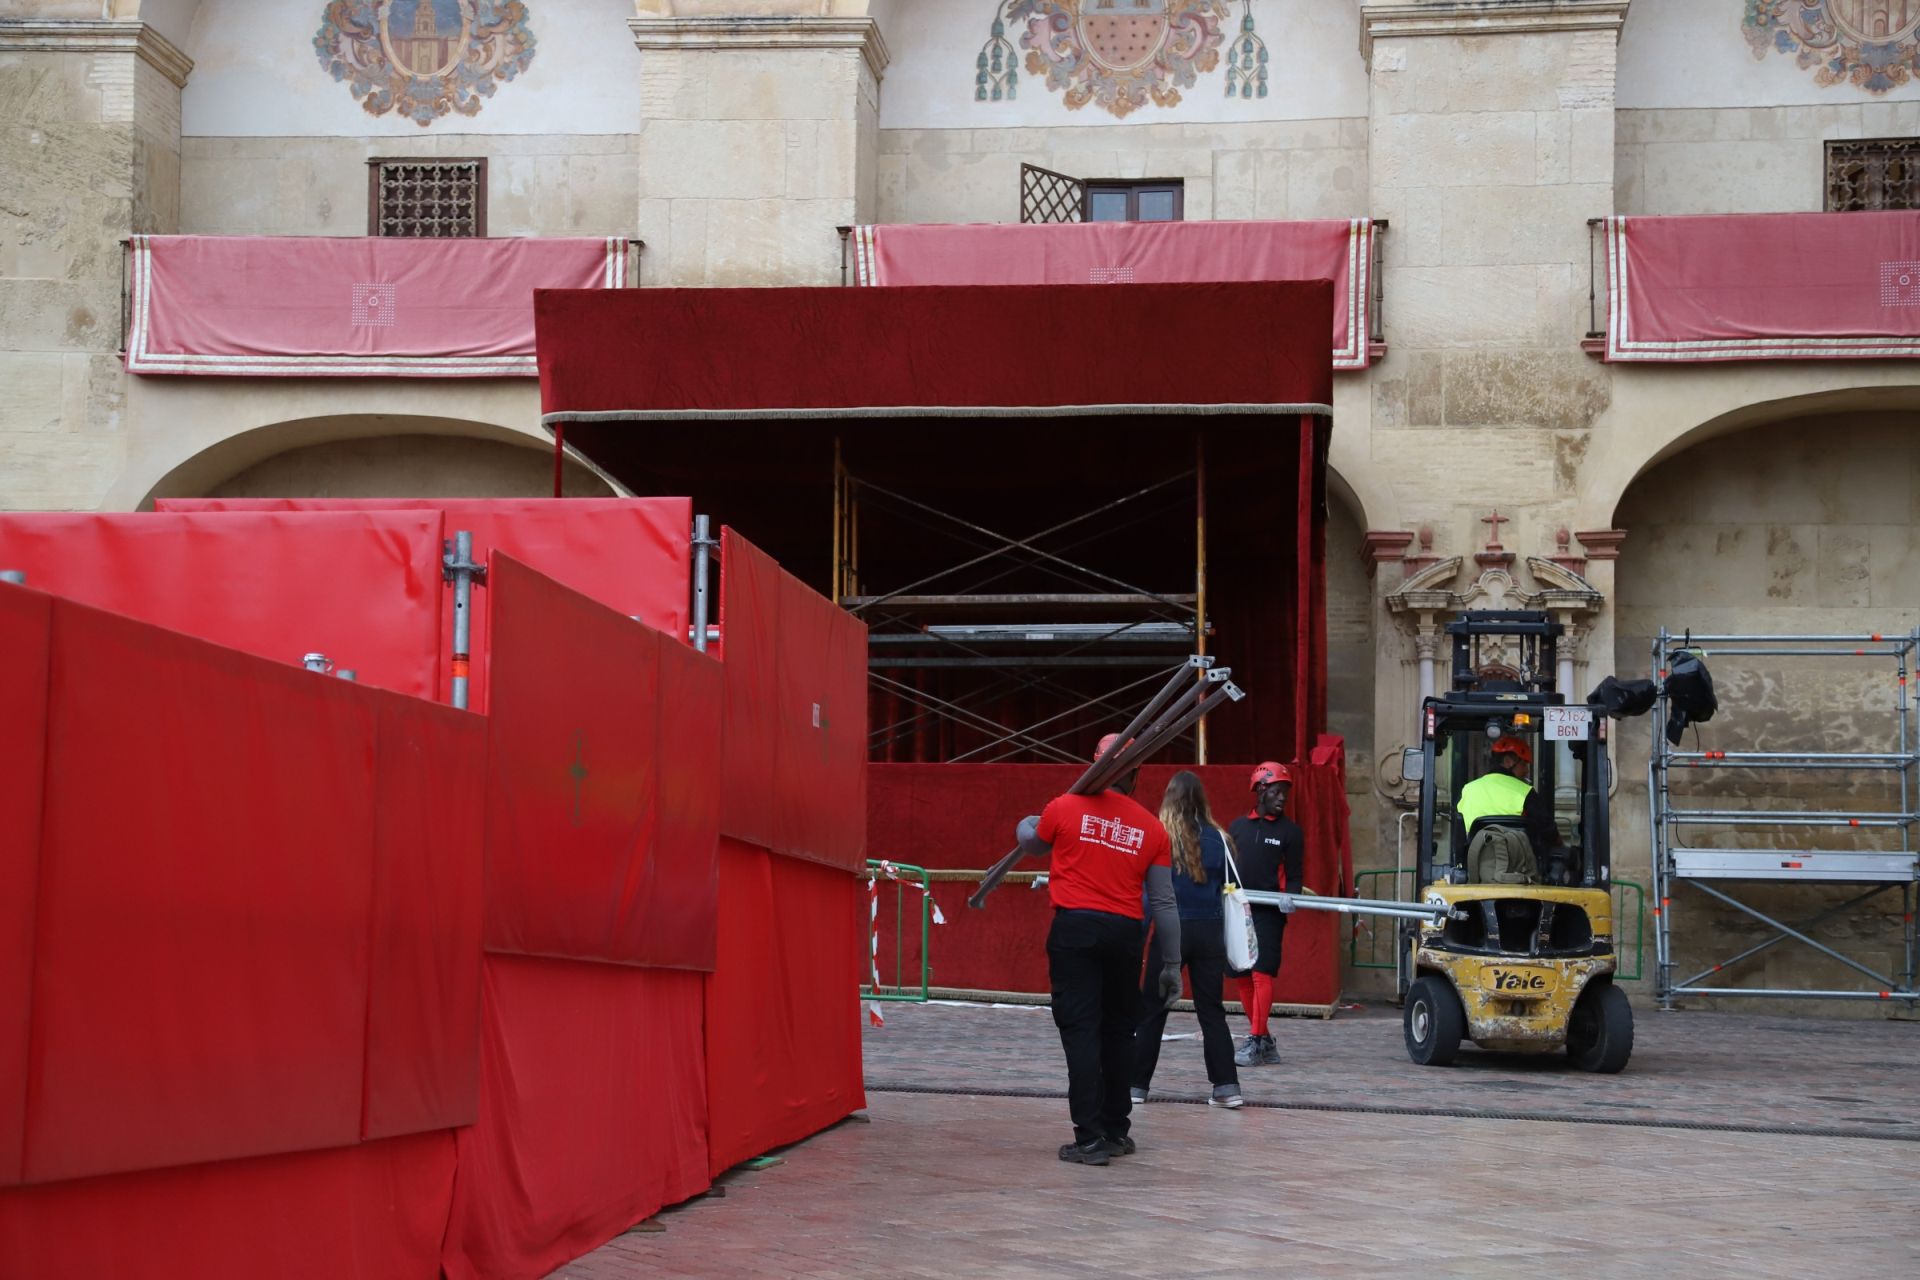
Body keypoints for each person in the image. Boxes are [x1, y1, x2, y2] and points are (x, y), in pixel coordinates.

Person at [1016, 733, 1182, 1167]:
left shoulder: (1064, 807)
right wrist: (1171, 963)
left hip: (1075, 930)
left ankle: (1088, 1139)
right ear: (1137, 774)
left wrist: (1028, 823)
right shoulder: (1151, 827)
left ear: (1094, 766)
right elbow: (1164, 901)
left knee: (1082, 1033)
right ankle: (1115, 1130)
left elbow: (1032, 843)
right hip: (1125, 934)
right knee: (1118, 1032)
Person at [1130, 771, 1243, 1110]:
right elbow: (1230, 888)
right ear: (1201, 800)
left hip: (1170, 933)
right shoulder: (1220, 839)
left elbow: (1151, 897)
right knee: (1212, 1012)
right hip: (1209, 932)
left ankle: (1136, 1086)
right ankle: (1227, 1086)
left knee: (1153, 1011)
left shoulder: (1157, 837)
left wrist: (1138, 938)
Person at [1226, 761, 1304, 1068]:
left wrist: (1291, 897)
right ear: (1260, 790)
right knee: (1242, 975)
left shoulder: (1291, 833)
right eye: (1276, 791)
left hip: (1269, 912)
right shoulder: (1237, 828)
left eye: (1285, 792)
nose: (1282, 798)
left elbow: (1295, 876)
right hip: (1239, 910)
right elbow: (1228, 868)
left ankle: (1256, 1039)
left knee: (1261, 973)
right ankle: (1266, 1041)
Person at [1456, 734, 1560, 881]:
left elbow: (1459, 829)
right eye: (1524, 765)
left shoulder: (1468, 789)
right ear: (1508, 761)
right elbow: (1548, 831)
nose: (1527, 771)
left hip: (1476, 867)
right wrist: (1559, 846)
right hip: (1519, 872)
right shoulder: (1525, 792)